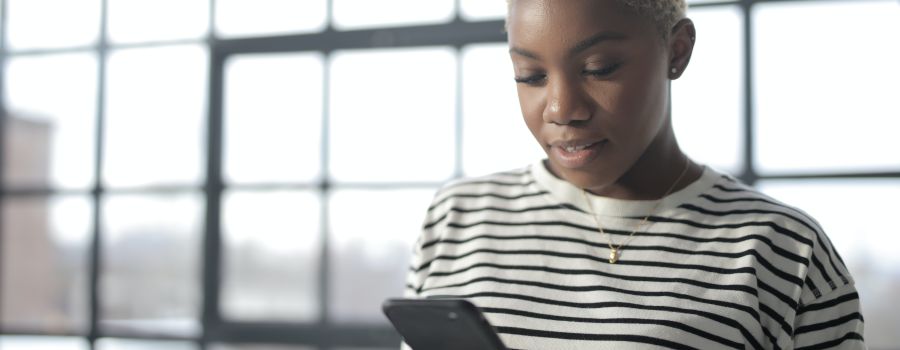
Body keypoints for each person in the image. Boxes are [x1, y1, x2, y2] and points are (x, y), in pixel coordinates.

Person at [403, 0, 866, 349]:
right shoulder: (458, 216)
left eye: (598, 69)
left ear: (677, 50)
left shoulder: (782, 247)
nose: (562, 110)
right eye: (530, 76)